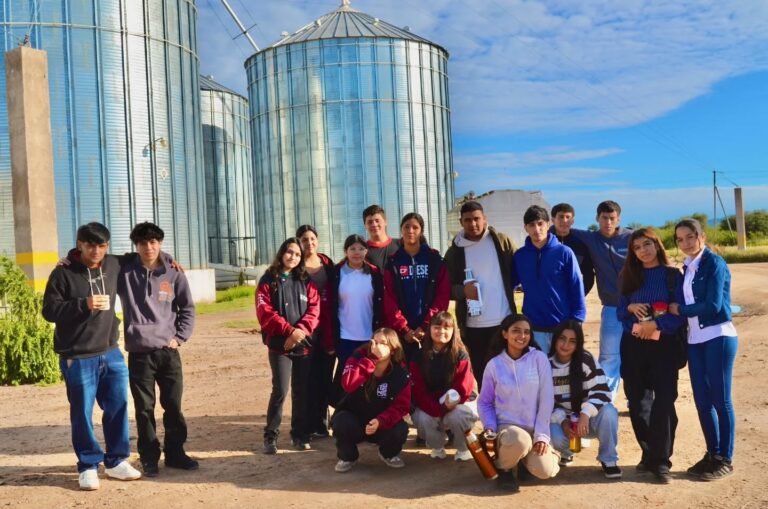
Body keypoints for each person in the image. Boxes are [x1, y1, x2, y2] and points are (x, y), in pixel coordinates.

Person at [42, 222, 142, 490]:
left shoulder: (113, 264)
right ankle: (88, 465)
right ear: (79, 245)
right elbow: (49, 310)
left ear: (107, 246)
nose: (96, 250)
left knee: (118, 407)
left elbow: (145, 254)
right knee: (82, 413)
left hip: (110, 352)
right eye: (90, 245)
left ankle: (117, 461)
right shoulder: (62, 274)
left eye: (101, 245)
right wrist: (82, 304)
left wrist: (169, 260)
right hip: (77, 355)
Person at [120, 222, 197, 477]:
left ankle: (176, 453)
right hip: (140, 353)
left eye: (153, 242)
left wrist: (179, 337)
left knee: (173, 405)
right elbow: (95, 256)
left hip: (168, 351)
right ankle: (149, 458)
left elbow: (187, 308)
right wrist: (69, 259)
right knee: (144, 409)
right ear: (136, 246)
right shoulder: (125, 270)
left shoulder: (173, 273)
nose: (148, 247)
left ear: (160, 243)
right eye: (143, 243)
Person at [669, 218, 738, 481]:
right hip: (695, 340)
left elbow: (713, 304)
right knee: (702, 402)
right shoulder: (687, 267)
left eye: (690, 237)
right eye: (680, 239)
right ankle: (712, 454)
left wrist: (681, 310)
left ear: (702, 237)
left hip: (718, 336)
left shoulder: (714, 264)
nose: (685, 243)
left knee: (721, 400)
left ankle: (725, 458)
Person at [617, 228, 685, 484]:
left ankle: (661, 461)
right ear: (633, 252)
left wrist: (656, 325)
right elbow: (620, 312)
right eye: (637, 247)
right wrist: (631, 309)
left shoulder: (671, 276)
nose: (643, 250)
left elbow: (680, 313)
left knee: (664, 401)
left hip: (664, 345)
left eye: (647, 244)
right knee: (637, 402)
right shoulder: (628, 275)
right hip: (634, 345)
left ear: (657, 245)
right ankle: (649, 453)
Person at [477, 314, 560, 492]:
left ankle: (524, 461)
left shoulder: (539, 358)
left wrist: (542, 435)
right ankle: (504, 468)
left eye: (526, 332)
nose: (522, 336)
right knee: (519, 440)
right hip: (508, 431)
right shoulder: (494, 365)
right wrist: (490, 426)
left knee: (545, 470)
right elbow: (484, 402)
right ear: (505, 334)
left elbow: (547, 398)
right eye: (516, 331)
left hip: (534, 429)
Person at [257, 238, 320, 454]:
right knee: (280, 390)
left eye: (297, 255)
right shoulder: (268, 280)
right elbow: (265, 312)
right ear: (282, 253)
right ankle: (270, 437)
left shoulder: (305, 281)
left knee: (300, 391)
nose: (292, 257)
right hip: (279, 346)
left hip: (302, 345)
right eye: (289, 252)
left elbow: (314, 310)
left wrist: (299, 331)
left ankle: (299, 435)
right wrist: (288, 331)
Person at [444, 201, 516, 387]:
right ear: (461, 222)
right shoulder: (454, 252)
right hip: (473, 325)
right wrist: (462, 291)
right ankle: (489, 414)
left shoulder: (501, 241)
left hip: (503, 321)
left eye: (477, 219)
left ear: (485, 219)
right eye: (467, 220)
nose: (473, 224)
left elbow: (519, 268)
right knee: (483, 376)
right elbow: (445, 288)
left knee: (508, 374)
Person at [569, 200, 632, 396]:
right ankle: (606, 401)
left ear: (618, 219)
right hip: (612, 308)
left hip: (637, 307)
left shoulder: (631, 238)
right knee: (609, 357)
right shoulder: (590, 238)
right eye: (604, 218)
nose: (608, 222)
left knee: (636, 356)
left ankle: (637, 399)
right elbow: (559, 228)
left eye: (612, 218)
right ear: (597, 218)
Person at [331, 328, 411, 473]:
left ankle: (388, 454)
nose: (377, 347)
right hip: (355, 419)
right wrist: (372, 360)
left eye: (384, 343)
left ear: (393, 350)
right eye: (375, 342)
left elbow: (401, 407)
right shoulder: (357, 358)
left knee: (400, 429)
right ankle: (348, 457)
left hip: (381, 423)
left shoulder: (400, 373)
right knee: (340, 421)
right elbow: (348, 384)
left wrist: (381, 420)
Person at [547, 320, 620, 479]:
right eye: (562, 338)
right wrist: (563, 422)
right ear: (555, 339)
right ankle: (567, 452)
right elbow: (545, 403)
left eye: (572, 341)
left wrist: (585, 415)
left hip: (589, 421)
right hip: (565, 420)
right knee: (554, 435)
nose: (566, 345)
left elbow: (602, 392)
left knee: (609, 412)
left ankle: (609, 460)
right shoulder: (546, 365)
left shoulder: (585, 360)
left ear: (578, 344)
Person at [511, 205, 586, 354]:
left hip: (562, 326)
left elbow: (576, 286)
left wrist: (577, 320)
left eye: (540, 224)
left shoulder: (564, 253)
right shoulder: (520, 256)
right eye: (531, 225)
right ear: (525, 228)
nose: (536, 229)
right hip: (533, 327)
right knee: (538, 374)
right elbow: (509, 286)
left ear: (548, 224)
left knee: (563, 374)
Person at [383, 212, 450, 363]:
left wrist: (426, 326)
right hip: (402, 333)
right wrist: (404, 329)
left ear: (421, 231)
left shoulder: (434, 259)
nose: (410, 231)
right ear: (401, 230)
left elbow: (442, 295)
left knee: (430, 375)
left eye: (415, 227)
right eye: (407, 227)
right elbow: (389, 297)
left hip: (430, 331)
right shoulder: (393, 262)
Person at [410, 312, 477, 462]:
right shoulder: (418, 356)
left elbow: (464, 388)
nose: (442, 331)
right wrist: (437, 409)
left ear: (454, 331)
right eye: (437, 327)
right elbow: (418, 391)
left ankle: (462, 448)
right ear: (429, 329)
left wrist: (448, 406)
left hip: (458, 404)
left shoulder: (461, 354)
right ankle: (437, 446)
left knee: (458, 415)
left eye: (447, 327)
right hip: (433, 404)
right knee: (424, 417)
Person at [296, 225, 337, 438]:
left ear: (317, 240)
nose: (309, 243)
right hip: (306, 330)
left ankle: (321, 422)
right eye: (304, 240)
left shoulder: (327, 264)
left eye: (312, 239)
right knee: (306, 379)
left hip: (327, 329)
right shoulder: (296, 266)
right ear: (299, 243)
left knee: (324, 377)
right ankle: (306, 424)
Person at [333, 234, 384, 370]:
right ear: (345, 251)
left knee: (369, 376)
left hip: (369, 336)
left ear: (366, 251)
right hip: (345, 336)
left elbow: (381, 303)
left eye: (361, 249)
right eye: (352, 249)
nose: (357, 252)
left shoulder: (374, 273)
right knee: (347, 377)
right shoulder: (337, 273)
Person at [550, 203, 595, 296]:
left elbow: (588, 275)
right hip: (548, 299)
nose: (564, 220)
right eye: (561, 217)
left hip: (572, 300)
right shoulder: (544, 243)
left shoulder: (580, 245)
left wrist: (579, 295)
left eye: (568, 217)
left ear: (572, 221)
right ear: (553, 219)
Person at [363, 204, 400, 271]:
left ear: (385, 222)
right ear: (365, 225)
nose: (374, 224)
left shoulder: (400, 245)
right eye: (370, 222)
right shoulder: (362, 250)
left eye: (377, 220)